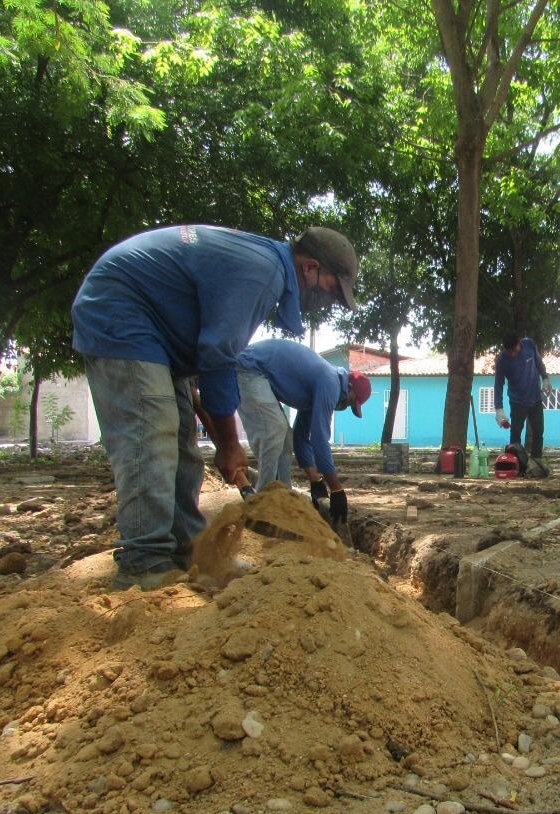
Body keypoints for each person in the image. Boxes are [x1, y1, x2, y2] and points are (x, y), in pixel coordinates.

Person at [72, 224, 359, 588]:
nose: (332, 301)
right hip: (122, 313)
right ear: (310, 267)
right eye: (334, 289)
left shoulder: (266, 266)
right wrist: (228, 443)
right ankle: (144, 561)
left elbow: (212, 358)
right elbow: (218, 354)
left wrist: (208, 422)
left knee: (183, 444)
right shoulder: (264, 273)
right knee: (152, 430)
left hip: (162, 341)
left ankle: (190, 551)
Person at [235, 339, 371, 526]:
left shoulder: (323, 386)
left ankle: (284, 503)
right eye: (350, 402)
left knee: (287, 437)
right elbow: (319, 439)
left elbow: (301, 438)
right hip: (249, 368)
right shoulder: (330, 382)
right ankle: (263, 506)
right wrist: (336, 489)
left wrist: (315, 481)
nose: (345, 406)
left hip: (258, 372)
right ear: (348, 388)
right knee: (274, 429)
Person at [493, 332, 551, 462]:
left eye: (515, 349)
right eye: (510, 351)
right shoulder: (502, 361)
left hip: (535, 398)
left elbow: (539, 363)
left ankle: (537, 462)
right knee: (515, 434)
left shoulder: (529, 345)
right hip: (517, 402)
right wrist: (499, 409)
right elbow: (498, 385)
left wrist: (545, 378)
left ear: (519, 342)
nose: (513, 353)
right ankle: (516, 464)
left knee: (538, 432)